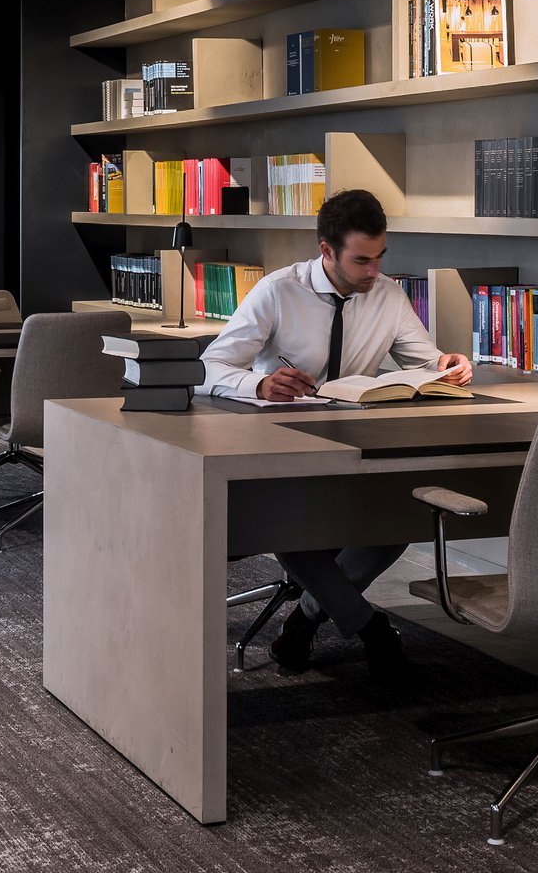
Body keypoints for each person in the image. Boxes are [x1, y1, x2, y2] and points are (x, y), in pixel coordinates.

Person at [199, 188, 472, 686]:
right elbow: (211, 365)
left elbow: (423, 359)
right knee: (287, 521)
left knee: (400, 514)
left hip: (354, 440)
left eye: (380, 257)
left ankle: (306, 617)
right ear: (326, 250)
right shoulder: (277, 292)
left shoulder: (387, 294)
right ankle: (370, 627)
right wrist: (258, 383)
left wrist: (446, 366)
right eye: (361, 261)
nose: (374, 271)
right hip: (277, 442)